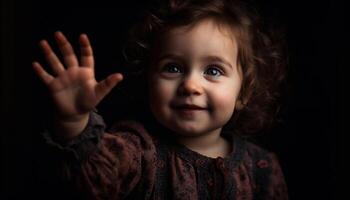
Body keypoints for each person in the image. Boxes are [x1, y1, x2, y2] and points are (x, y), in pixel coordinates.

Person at [32, 0, 289, 199]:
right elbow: (91, 181)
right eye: (173, 68)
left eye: (213, 71)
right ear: (149, 80)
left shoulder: (261, 169)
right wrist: (74, 120)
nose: (190, 85)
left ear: (242, 93)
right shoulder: (135, 153)